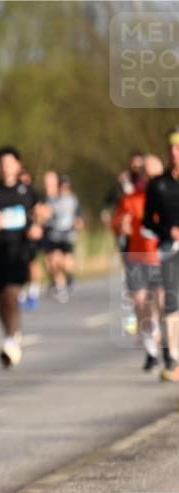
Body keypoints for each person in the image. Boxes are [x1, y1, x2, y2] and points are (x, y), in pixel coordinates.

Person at [0, 147, 46, 368]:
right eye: (2, 163)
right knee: (1, 300)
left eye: (10, 163)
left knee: (11, 295)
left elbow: (41, 211)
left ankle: (11, 340)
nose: (6, 167)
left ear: (18, 165)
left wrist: (38, 227)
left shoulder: (27, 190)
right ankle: (12, 334)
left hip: (18, 251)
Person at [114, 156, 165, 371]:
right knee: (140, 303)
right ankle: (151, 350)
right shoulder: (131, 199)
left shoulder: (169, 195)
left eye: (154, 175)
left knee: (163, 304)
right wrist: (121, 227)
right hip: (136, 257)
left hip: (162, 256)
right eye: (146, 174)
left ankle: (168, 346)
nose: (150, 178)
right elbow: (118, 222)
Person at [144, 126, 179, 382]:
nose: (175, 153)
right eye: (172, 148)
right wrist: (169, 230)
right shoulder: (158, 185)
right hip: (169, 249)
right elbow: (148, 221)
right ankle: (172, 358)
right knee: (171, 304)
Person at [43, 174, 84, 302]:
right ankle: (60, 287)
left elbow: (79, 215)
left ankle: (70, 278)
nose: (64, 189)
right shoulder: (51, 200)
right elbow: (46, 215)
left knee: (66, 263)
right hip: (54, 235)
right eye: (62, 186)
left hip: (68, 236)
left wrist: (78, 222)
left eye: (67, 187)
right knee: (54, 261)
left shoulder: (73, 200)